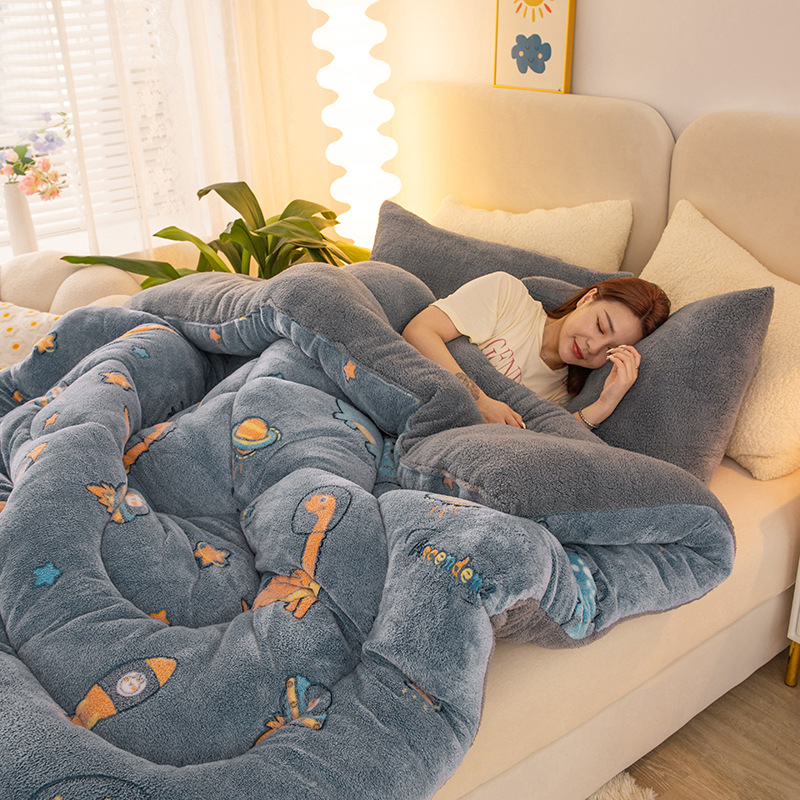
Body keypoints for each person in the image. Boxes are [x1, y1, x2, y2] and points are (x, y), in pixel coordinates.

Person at [401, 271, 670, 430]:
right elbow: (419, 331)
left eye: (610, 350)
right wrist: (481, 401)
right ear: (588, 298)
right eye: (600, 326)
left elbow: (547, 446)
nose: (594, 347)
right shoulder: (508, 295)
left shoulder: (564, 393)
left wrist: (605, 404)